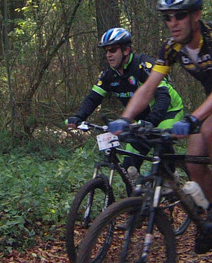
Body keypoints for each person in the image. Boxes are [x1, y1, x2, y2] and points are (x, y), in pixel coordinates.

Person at [107, 0, 212, 253]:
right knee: (193, 162)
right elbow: (148, 88)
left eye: (179, 15)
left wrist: (194, 118)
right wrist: (126, 118)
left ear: (196, 15)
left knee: (211, 129)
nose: (173, 22)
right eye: (167, 17)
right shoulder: (172, 47)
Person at [67, 27, 184, 174]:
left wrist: (151, 121)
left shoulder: (143, 65)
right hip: (142, 120)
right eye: (106, 51)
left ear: (126, 50)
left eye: (113, 50)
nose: (108, 55)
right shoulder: (109, 75)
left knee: (160, 143)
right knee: (129, 166)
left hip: (168, 112)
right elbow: (93, 98)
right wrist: (78, 117)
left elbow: (163, 97)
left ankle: (170, 179)